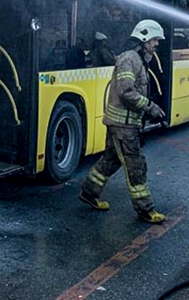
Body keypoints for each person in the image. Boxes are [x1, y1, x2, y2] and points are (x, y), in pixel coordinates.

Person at [79, 20, 168, 224]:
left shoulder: (138, 59)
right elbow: (126, 92)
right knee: (135, 165)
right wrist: (150, 107)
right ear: (144, 38)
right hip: (123, 125)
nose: (156, 44)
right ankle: (145, 209)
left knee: (111, 159)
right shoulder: (130, 60)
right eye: (154, 40)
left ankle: (88, 192)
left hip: (123, 123)